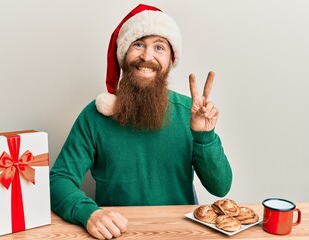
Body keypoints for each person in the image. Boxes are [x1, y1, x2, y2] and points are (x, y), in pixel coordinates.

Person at [50, 4, 232, 240]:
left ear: (170, 59)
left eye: (159, 47)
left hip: (180, 234)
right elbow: (58, 180)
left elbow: (221, 187)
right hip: (117, 234)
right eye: (138, 44)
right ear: (123, 54)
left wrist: (204, 136)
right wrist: (88, 213)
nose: (147, 56)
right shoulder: (95, 116)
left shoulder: (190, 112)